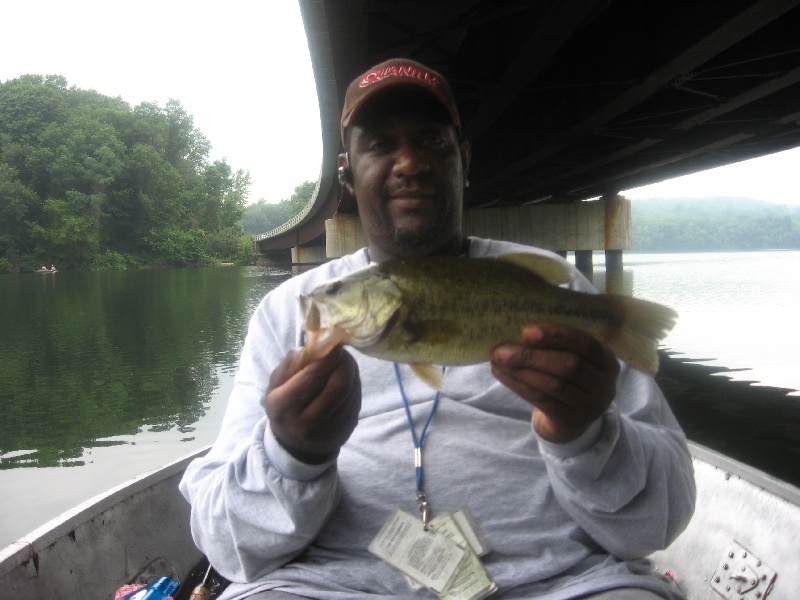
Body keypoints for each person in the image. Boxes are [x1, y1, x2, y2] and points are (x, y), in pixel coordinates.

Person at [180, 58, 695, 600]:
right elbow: (226, 546)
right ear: (347, 176)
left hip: (558, 582)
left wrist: (586, 433)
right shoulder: (288, 312)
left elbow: (658, 524)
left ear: (462, 160)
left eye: (432, 141)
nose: (410, 163)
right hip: (331, 586)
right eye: (380, 144)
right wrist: (292, 453)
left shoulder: (556, 288)